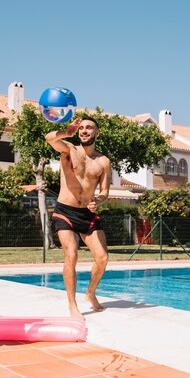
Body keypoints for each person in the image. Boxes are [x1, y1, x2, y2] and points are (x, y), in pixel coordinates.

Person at [46, 116, 111, 320]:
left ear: (96, 133)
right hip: (65, 212)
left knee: (102, 258)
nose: (84, 131)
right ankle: (72, 305)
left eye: (89, 128)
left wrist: (98, 201)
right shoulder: (68, 150)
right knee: (71, 256)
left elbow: (105, 191)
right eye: (81, 128)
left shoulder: (103, 161)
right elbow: (49, 139)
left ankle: (90, 292)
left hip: (87, 214)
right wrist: (67, 132)